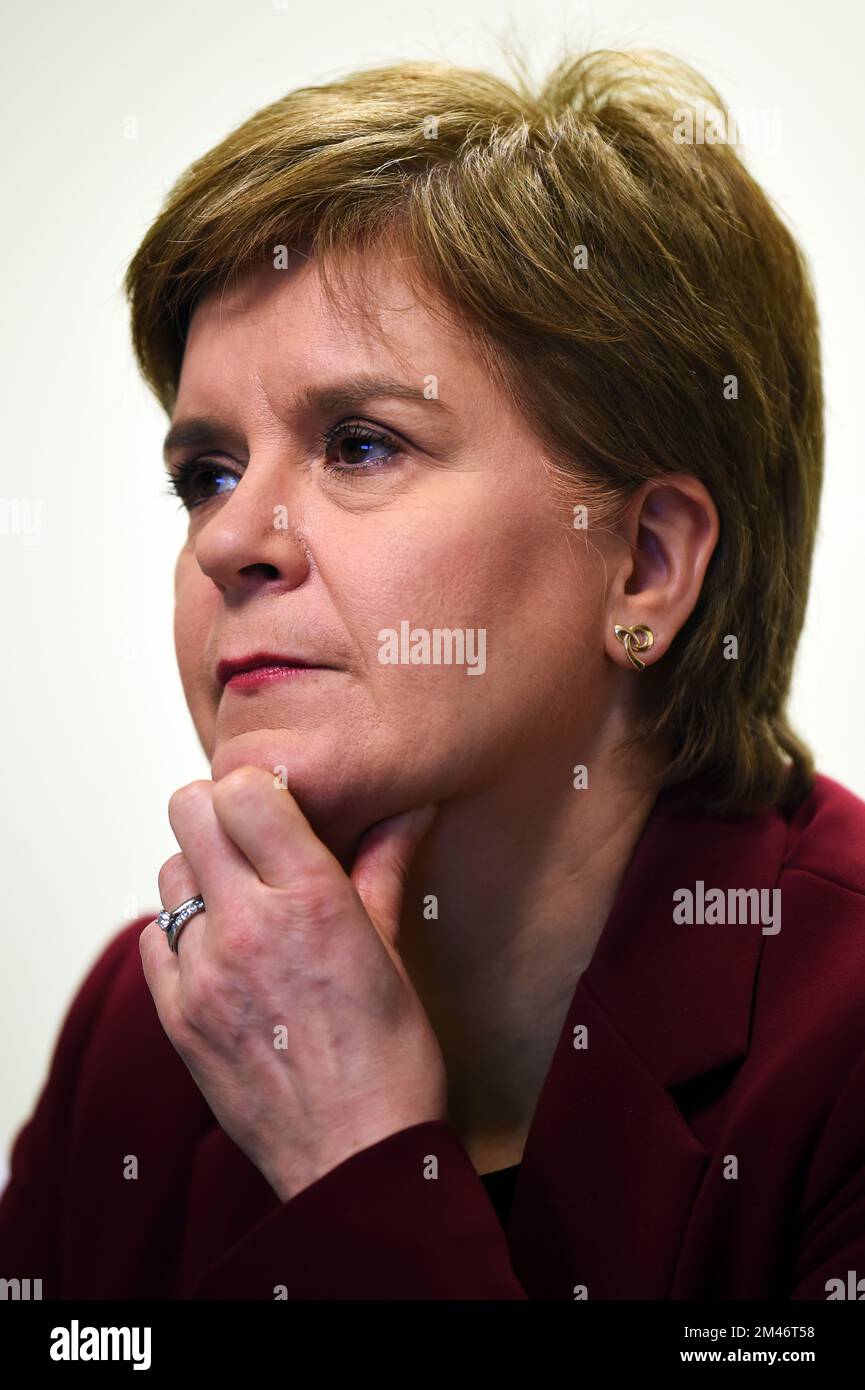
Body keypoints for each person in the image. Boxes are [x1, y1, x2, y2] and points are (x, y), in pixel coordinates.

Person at [2, 44, 864, 1301]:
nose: (229, 539)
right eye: (208, 472)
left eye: (359, 445)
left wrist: (359, 1158)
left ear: (643, 565)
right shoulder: (152, 1021)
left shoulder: (844, 1041)